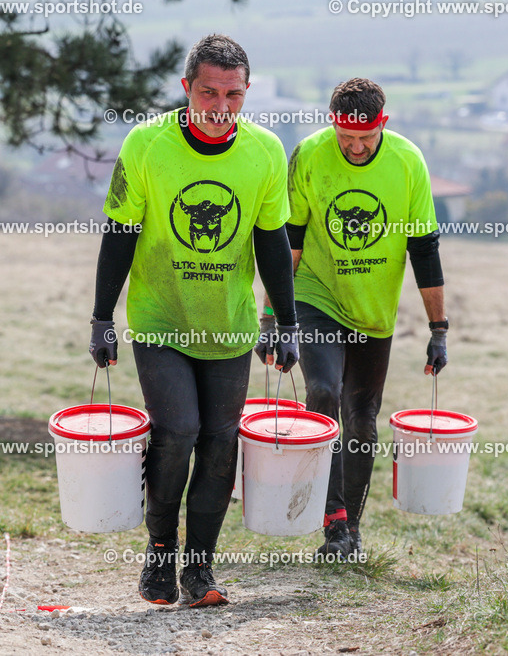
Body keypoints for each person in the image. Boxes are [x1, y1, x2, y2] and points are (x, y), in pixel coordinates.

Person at [89, 34, 299, 608]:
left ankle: (200, 568)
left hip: (229, 324)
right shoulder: (146, 144)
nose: (220, 107)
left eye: (233, 95)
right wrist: (101, 318)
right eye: (208, 93)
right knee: (178, 430)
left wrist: (285, 322)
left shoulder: (265, 152)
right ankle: (160, 552)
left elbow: (272, 242)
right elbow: (120, 233)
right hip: (160, 318)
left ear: (247, 92)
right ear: (187, 88)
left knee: (219, 442)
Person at [260, 77, 447, 557]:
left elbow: (424, 249)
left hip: (373, 312)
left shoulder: (407, 161)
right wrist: (271, 318)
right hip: (315, 295)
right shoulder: (309, 155)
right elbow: (289, 242)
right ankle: (332, 518)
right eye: (346, 137)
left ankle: (352, 531)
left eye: (366, 137)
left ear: (383, 123)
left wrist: (438, 330)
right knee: (324, 390)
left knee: (362, 420)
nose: (356, 147)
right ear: (333, 125)